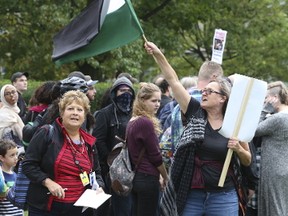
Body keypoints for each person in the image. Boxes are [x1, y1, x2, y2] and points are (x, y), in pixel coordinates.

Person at [145, 41, 251, 216]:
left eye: (210, 91)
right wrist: (158, 54)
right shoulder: (195, 112)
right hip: (192, 195)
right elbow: (173, 80)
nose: (204, 93)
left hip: (223, 197)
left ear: (223, 98)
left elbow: (247, 160)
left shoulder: (235, 122)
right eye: (204, 90)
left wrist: (238, 148)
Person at [22, 90, 105, 216]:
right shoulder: (46, 133)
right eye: (70, 108)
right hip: (47, 209)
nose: (75, 113)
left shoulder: (88, 142)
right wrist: (48, 182)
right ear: (62, 112)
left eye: (79, 110)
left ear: (85, 115)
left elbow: (96, 172)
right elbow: (28, 165)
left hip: (80, 209)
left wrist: (99, 186)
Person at [93, 76, 135, 216]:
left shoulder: (135, 113)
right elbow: (98, 140)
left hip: (134, 168)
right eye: (122, 90)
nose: (126, 93)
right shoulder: (104, 114)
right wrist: (112, 161)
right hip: (111, 171)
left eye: (129, 90)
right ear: (115, 93)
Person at [126, 82, 168, 216]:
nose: (157, 104)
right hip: (147, 178)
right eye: (153, 100)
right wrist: (165, 176)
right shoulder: (145, 122)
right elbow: (155, 156)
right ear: (142, 100)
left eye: (159, 101)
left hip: (137, 177)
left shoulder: (133, 120)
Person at [254, 81, 288, 216]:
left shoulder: (278, 118)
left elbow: (254, 130)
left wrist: (264, 110)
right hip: (283, 169)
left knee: (275, 209)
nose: (264, 102)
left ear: (274, 98)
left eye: (266, 98)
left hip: (274, 170)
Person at [0, 139, 23, 215]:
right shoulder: (1, 177)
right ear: (2, 158)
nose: (16, 158)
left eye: (16, 154)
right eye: (12, 155)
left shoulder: (16, 176)